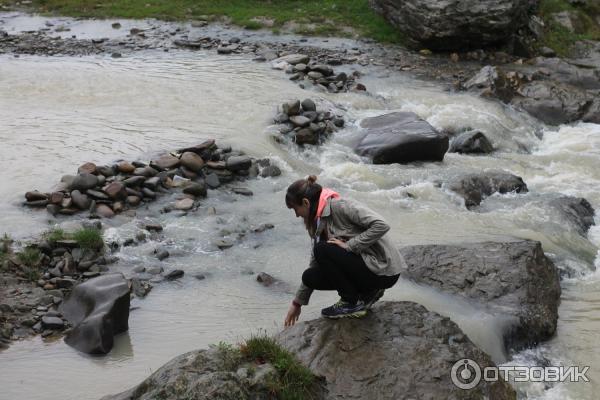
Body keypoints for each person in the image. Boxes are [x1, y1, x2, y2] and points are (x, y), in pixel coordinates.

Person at [284, 175, 407, 326]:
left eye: (295, 209)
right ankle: (366, 294)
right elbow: (316, 262)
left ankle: (350, 302)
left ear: (305, 202)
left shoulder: (340, 205)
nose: (296, 215)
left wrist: (350, 245)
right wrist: (297, 303)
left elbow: (381, 225)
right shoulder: (318, 221)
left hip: (384, 270)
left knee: (322, 249)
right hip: (367, 269)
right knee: (310, 276)